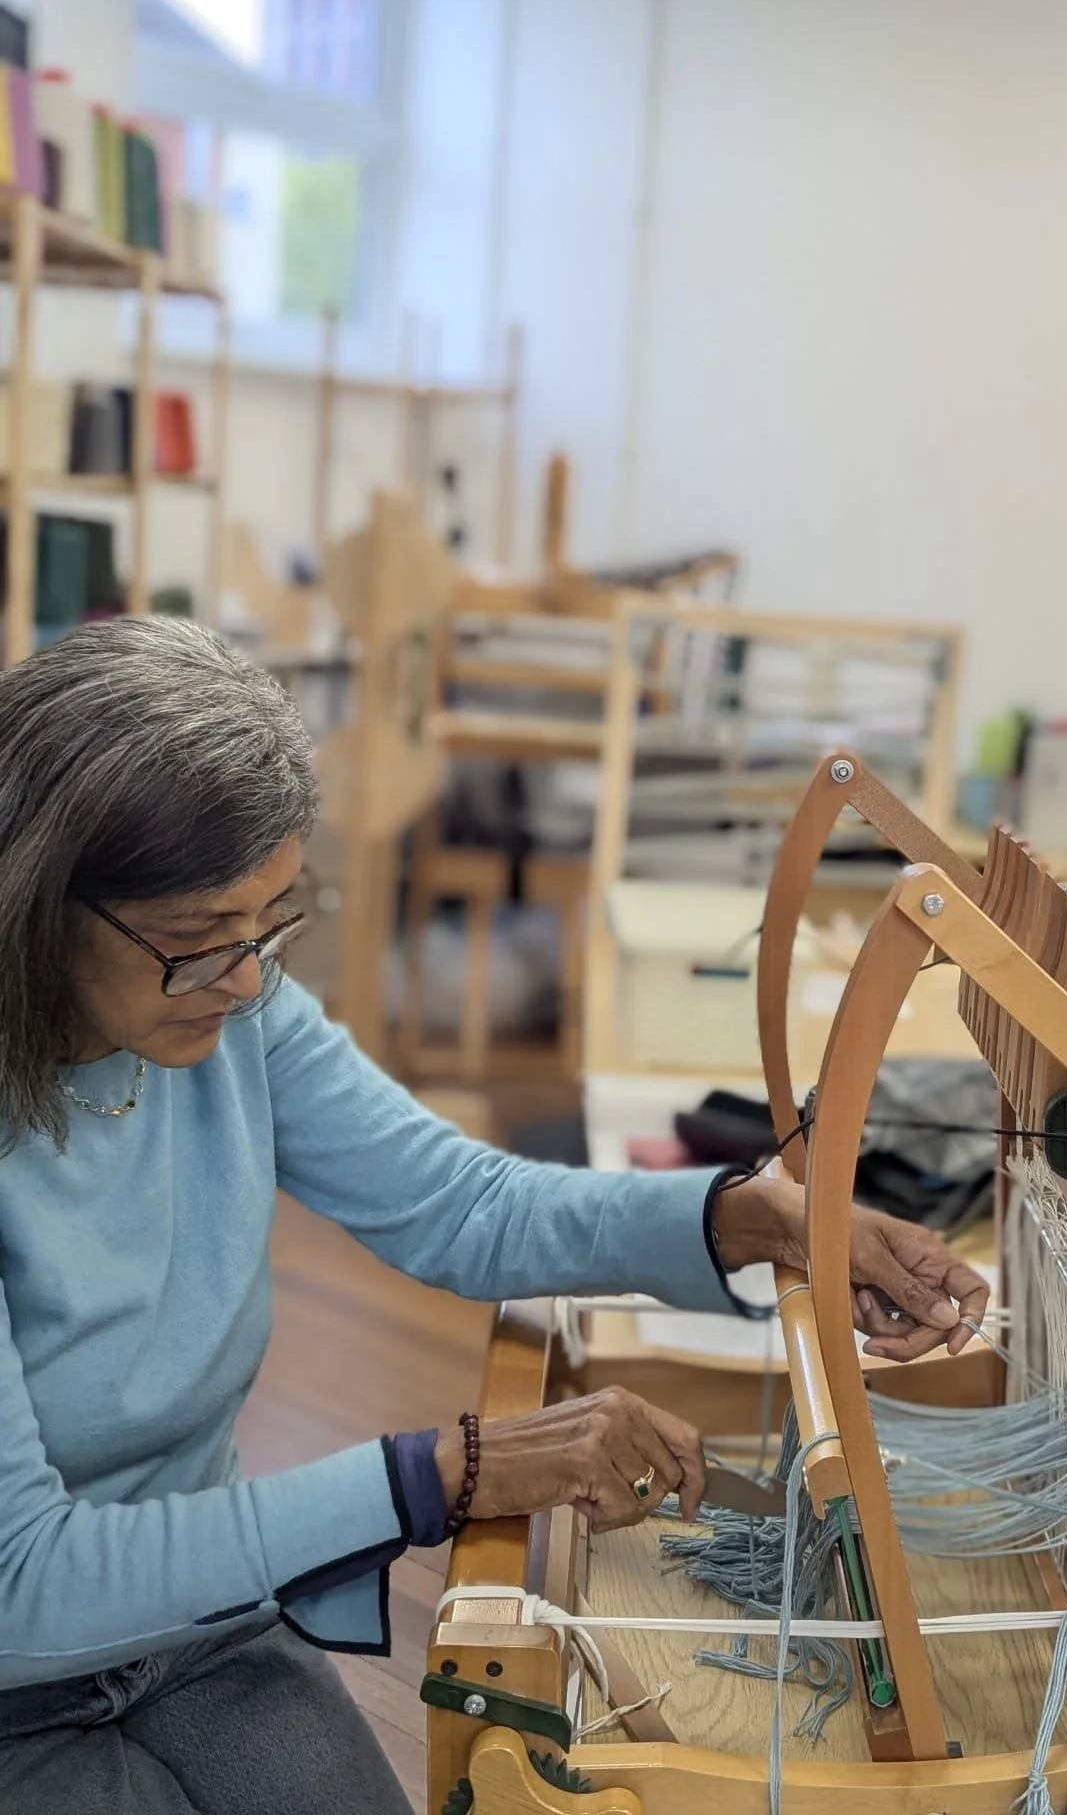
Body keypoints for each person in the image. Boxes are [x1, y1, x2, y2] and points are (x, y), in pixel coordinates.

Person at [0, 617, 989, 1815]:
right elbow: (25, 1585)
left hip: (195, 1616)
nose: (249, 978)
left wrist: (751, 1218)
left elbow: (460, 1203)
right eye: (199, 943)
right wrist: (438, 1476)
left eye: (270, 924)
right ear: (34, 901)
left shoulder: (232, 1007)